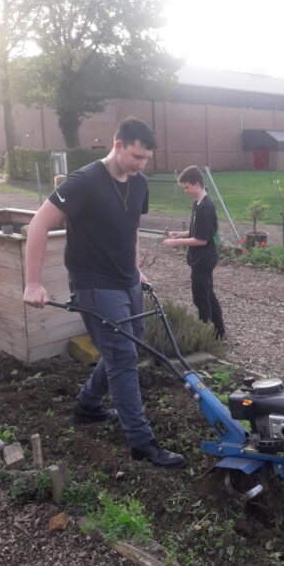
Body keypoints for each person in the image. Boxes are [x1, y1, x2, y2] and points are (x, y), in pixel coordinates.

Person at [22, 117, 185, 469]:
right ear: (118, 144)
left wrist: (137, 268)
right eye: (136, 156)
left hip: (127, 280)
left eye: (146, 159)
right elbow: (39, 223)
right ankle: (142, 444)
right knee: (123, 356)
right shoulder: (84, 181)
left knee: (129, 345)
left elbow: (132, 230)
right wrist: (33, 282)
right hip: (94, 283)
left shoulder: (139, 184)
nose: (141, 165)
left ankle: (88, 406)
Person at [163, 165, 225, 339]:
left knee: (201, 298)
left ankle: (205, 335)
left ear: (197, 184)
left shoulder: (206, 207)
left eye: (186, 187)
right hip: (200, 259)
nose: (185, 190)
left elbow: (202, 240)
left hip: (204, 260)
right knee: (208, 294)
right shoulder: (197, 204)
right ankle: (219, 333)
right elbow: (197, 231)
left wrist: (177, 242)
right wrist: (181, 233)